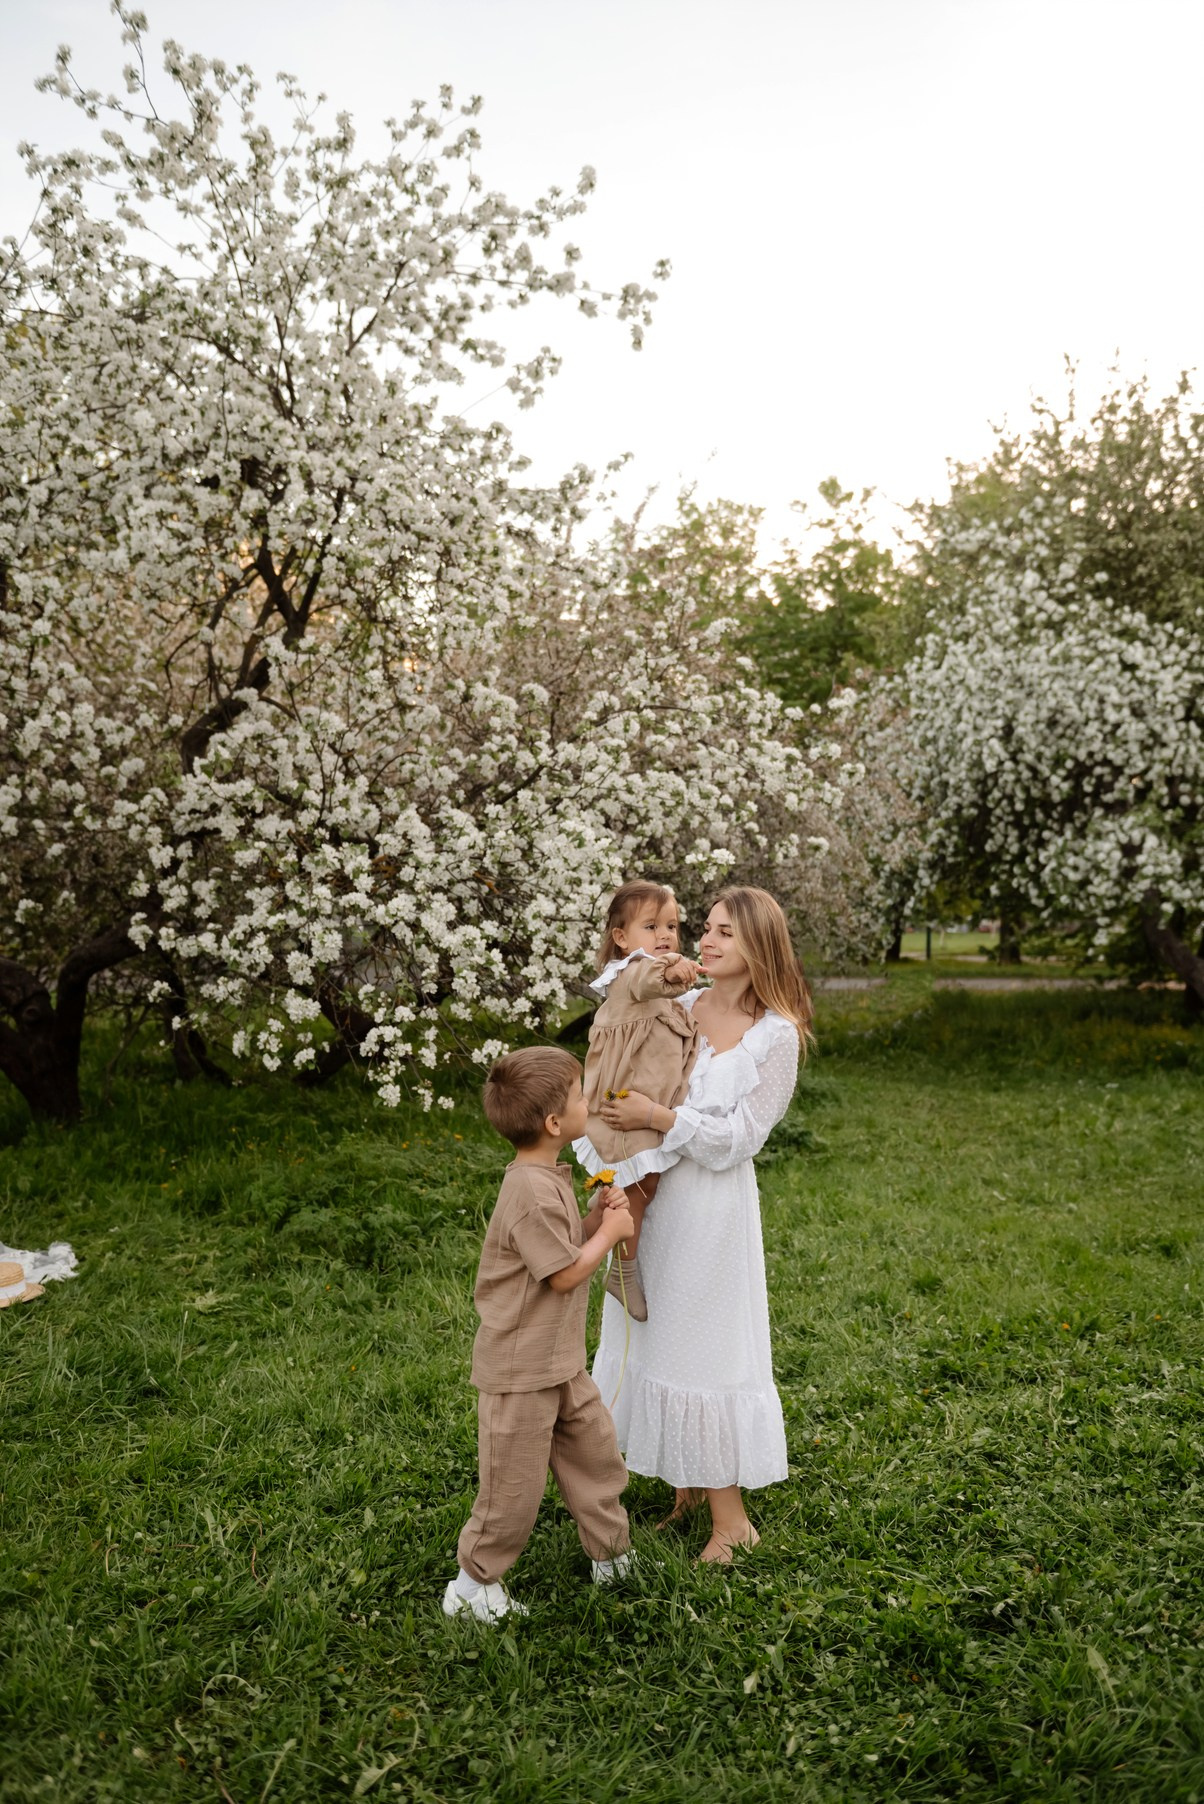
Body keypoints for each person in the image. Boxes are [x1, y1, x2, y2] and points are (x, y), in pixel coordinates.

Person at [591, 886, 812, 1564]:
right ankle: (685, 1487)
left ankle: (732, 1522)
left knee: (704, 1350)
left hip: (712, 1208)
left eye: (725, 935)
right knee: (654, 1338)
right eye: (705, 929)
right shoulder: (679, 1003)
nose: (705, 942)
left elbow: (741, 1137)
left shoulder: (777, 1035)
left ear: (759, 949)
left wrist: (661, 1121)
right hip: (654, 1195)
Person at [444, 1045, 637, 1622]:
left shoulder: (547, 1176)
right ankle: (473, 1585)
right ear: (556, 1123)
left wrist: (593, 1221)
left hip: (559, 1362)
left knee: (595, 1454)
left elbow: (559, 1247)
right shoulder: (526, 1191)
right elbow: (561, 1274)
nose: (586, 1102)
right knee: (512, 1487)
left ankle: (611, 1555)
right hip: (520, 1370)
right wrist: (612, 1235)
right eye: (579, 1097)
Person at [573, 881, 701, 1322]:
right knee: (638, 1194)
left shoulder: (652, 982)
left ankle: (574, 1238)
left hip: (637, 1103)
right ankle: (621, 1271)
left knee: (632, 1188)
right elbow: (652, 978)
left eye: (672, 925)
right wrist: (673, 970)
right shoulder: (633, 974)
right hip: (625, 1106)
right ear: (621, 938)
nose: (665, 935)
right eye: (651, 926)